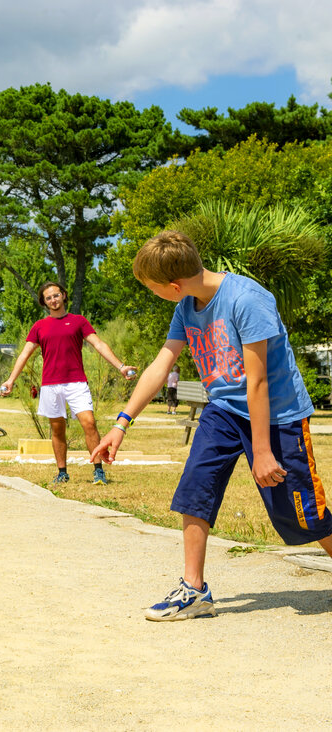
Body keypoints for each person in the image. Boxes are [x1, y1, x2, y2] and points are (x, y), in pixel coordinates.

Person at [92, 230, 332, 621]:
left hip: (277, 415)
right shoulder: (186, 304)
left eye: (153, 289)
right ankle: (194, 591)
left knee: (300, 511)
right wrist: (121, 423)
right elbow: (161, 365)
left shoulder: (248, 299)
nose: (154, 295)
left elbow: (258, 382)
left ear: (173, 284)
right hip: (222, 410)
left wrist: (262, 450)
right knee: (196, 485)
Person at [0, 281, 135, 485]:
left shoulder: (78, 321)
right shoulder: (39, 326)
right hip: (50, 385)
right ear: (44, 302)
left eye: (56, 295)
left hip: (76, 383)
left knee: (89, 423)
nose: (53, 300)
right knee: (57, 429)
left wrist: (121, 366)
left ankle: (98, 471)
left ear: (63, 295)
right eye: (48, 298)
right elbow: (25, 354)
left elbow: (98, 344)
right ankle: (62, 472)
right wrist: (11, 380)